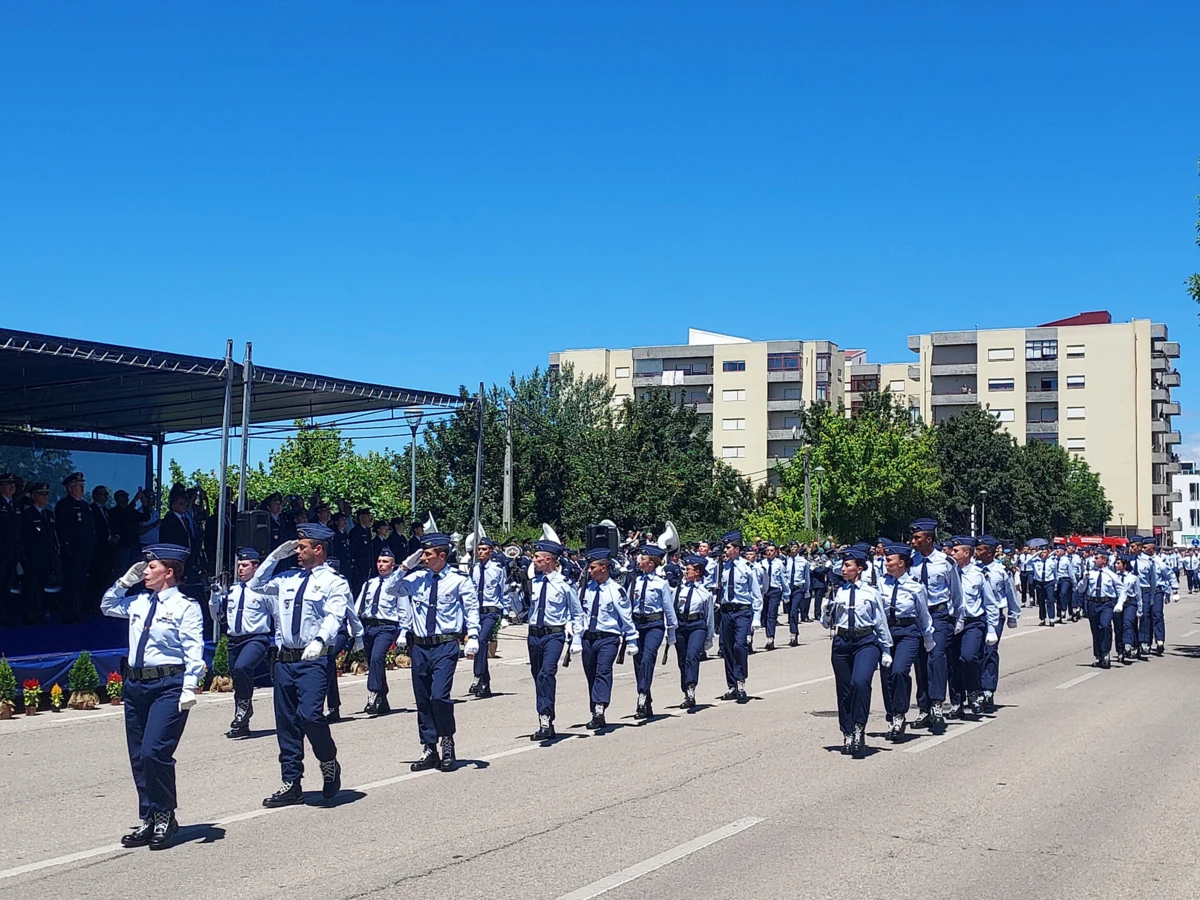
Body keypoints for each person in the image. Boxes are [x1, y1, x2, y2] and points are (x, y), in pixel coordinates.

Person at [102, 544, 205, 850]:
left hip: (168, 685)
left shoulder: (185, 607)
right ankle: (148, 816)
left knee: (154, 751)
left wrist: (190, 686)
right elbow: (107, 606)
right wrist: (124, 582)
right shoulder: (138, 602)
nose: (145, 572)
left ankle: (165, 815)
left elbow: (193, 648)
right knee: (138, 756)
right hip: (135, 685)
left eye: (151, 567)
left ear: (169, 572)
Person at [248, 523, 348, 807]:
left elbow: (334, 615)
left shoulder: (334, 582)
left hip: (313, 659)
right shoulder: (287, 578)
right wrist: (274, 557)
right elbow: (255, 585)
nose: (297, 552)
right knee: (287, 723)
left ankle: (328, 761)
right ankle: (291, 782)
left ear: (319, 549)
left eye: (302, 547)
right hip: (285, 660)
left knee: (310, 715)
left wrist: (320, 639)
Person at [384, 533, 480, 772]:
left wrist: (473, 635)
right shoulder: (417, 578)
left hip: (445, 645)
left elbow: (471, 609)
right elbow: (390, 589)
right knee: (423, 699)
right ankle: (429, 747)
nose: (423, 558)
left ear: (442, 555)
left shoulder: (459, 580)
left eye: (427, 554)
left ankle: (446, 741)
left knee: (439, 696)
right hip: (420, 646)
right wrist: (404, 566)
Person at [821, 547, 891, 757]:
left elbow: (880, 621)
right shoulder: (838, 592)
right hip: (842, 642)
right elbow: (827, 624)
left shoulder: (871, 593)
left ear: (859, 569)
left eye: (848, 566)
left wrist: (886, 649)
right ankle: (848, 732)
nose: (843, 569)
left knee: (860, 683)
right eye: (843, 566)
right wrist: (826, 610)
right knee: (844, 690)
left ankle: (860, 727)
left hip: (866, 641)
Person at [209, 548, 273, 738]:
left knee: (242, 667)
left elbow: (277, 614)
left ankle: (244, 709)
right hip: (234, 641)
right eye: (239, 566)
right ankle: (242, 721)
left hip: (256, 638)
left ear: (256, 567)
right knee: (238, 678)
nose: (240, 569)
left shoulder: (264, 589)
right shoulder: (233, 590)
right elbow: (217, 616)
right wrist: (214, 597)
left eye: (245, 565)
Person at [524, 534, 583, 740]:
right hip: (534, 635)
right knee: (537, 676)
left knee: (547, 673)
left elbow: (577, 613)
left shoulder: (564, 584)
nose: (533, 560)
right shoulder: (534, 583)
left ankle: (546, 717)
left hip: (554, 635)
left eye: (537, 557)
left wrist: (577, 638)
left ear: (548, 559)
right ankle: (544, 718)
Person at [909, 518, 962, 734]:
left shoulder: (945, 562)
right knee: (920, 661)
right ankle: (924, 707)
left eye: (917, 538)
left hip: (938, 614)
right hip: (917, 616)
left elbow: (956, 592)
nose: (913, 541)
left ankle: (937, 703)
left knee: (937, 657)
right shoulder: (910, 562)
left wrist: (958, 618)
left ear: (929, 539)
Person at [878, 542, 934, 741]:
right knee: (887, 675)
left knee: (900, 671)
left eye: (889, 560)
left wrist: (928, 637)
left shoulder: (915, 587)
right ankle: (892, 715)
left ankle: (900, 714)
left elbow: (923, 614)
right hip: (887, 632)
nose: (886, 563)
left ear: (901, 563)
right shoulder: (881, 584)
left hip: (908, 632)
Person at [578, 547, 637, 729]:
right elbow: (579, 615)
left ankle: (600, 707)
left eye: (592, 567)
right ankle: (595, 710)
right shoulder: (585, 590)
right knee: (591, 675)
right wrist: (575, 638)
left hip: (608, 638)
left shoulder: (616, 590)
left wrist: (632, 640)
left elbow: (626, 617)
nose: (589, 571)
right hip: (588, 638)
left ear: (603, 568)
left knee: (602, 672)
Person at [946, 536, 999, 719]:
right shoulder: (948, 572)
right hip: (952, 621)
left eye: (956, 551)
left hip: (972, 623)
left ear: (966, 553)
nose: (952, 553)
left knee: (968, 657)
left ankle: (973, 691)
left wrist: (991, 628)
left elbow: (990, 602)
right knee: (952, 663)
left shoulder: (978, 574)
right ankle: (957, 702)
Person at [628, 544, 678, 718]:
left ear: (651, 563)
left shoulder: (661, 583)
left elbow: (668, 608)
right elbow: (627, 605)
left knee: (648, 658)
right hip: (637, 625)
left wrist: (672, 630)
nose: (639, 561)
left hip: (654, 625)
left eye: (642, 558)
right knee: (638, 662)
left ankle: (642, 694)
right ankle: (646, 702)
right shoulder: (635, 581)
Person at [355, 547, 403, 715]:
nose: (381, 565)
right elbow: (358, 607)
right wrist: (354, 627)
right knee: (373, 661)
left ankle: (374, 694)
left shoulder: (397, 585)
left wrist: (404, 632)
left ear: (393, 565)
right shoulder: (369, 584)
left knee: (377, 657)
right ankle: (383, 699)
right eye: (379, 561)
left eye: (385, 562)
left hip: (387, 627)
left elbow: (403, 610)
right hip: (369, 626)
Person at [715, 531, 762, 703]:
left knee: (740, 645)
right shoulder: (723, 566)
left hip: (742, 611)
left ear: (736, 549)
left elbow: (756, 594)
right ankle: (732, 686)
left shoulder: (747, 568)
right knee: (726, 648)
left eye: (728, 547)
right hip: (726, 611)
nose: (725, 550)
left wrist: (756, 617)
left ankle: (741, 681)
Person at [977, 536, 1020, 712]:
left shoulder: (1001, 571)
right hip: (976, 615)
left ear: (989, 552)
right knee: (974, 653)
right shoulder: (973, 569)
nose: (976, 552)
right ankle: (974, 689)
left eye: (979, 549)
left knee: (990, 651)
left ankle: (987, 689)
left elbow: (1010, 593)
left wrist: (1013, 615)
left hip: (995, 616)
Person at [468, 538, 508, 699]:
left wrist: (505, 614)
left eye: (484, 549)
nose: (480, 552)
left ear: (491, 552)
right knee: (479, 644)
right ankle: (485, 684)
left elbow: (504, 591)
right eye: (479, 549)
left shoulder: (497, 569)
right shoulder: (474, 569)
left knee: (482, 640)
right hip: (476, 611)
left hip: (491, 611)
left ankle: (477, 675)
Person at [674, 553, 715, 708]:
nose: (686, 572)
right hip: (681, 625)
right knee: (682, 660)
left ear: (697, 572)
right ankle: (686, 693)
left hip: (697, 625)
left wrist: (709, 638)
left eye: (688, 569)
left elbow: (709, 617)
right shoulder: (679, 589)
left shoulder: (705, 593)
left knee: (692, 656)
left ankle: (691, 686)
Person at [55, 471, 95, 622]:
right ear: (70, 488)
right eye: (78, 486)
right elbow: (63, 528)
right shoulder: (64, 505)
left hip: (85, 550)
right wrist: (66, 546)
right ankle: (70, 612)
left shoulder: (85, 506)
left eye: (82, 485)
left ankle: (78, 610)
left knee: (82, 582)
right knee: (71, 582)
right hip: (73, 551)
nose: (82, 488)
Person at [20, 482, 56, 625]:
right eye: (41, 494)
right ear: (33, 496)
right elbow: (23, 537)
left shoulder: (49, 514)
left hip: (46, 557)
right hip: (32, 557)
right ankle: (29, 614)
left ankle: (39, 613)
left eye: (46, 494)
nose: (45, 497)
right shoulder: (27, 514)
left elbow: (52, 537)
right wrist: (24, 557)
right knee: (30, 586)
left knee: (41, 586)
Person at [1079, 548, 1121, 668]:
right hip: (1092, 602)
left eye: (1097, 558)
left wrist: (1119, 603)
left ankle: (1105, 652)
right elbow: (1081, 589)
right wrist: (1084, 579)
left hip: (1106, 603)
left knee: (1105, 626)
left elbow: (1120, 589)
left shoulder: (1111, 575)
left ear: (1104, 560)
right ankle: (1098, 656)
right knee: (1095, 630)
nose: (1094, 560)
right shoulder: (1090, 573)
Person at [1132, 540, 1174, 657]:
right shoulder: (1139, 560)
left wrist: (1173, 589)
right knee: (1145, 616)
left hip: (1157, 591)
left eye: (1145, 547)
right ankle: (1146, 641)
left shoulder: (1159, 561)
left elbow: (1169, 574)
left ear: (1151, 548)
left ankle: (1159, 640)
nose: (1143, 549)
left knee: (1157, 614)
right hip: (1143, 591)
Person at [1113, 554, 1141, 664]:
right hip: (1118, 603)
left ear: (1124, 565)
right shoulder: (1114, 577)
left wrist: (1140, 608)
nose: (1116, 565)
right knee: (1118, 628)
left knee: (1127, 623)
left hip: (1130, 603)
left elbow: (1138, 594)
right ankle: (1120, 651)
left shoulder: (1133, 578)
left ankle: (1128, 644)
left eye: (1118, 563)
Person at [0, 473, 19, 627]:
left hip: (12, 552)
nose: (12, 487)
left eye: (13, 484)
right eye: (8, 484)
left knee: (7, 584)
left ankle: (4, 614)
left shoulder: (16, 505)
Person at [759, 543, 787, 651]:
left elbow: (783, 579)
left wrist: (786, 593)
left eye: (772, 551)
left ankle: (770, 638)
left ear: (776, 552)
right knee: (764, 614)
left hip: (775, 590)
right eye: (768, 551)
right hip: (764, 591)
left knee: (772, 614)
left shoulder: (780, 563)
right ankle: (766, 634)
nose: (769, 553)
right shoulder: (762, 563)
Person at [784, 542, 811, 645]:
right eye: (791, 547)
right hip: (788, 589)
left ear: (798, 548)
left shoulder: (803, 561)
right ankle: (793, 629)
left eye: (795, 547)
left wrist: (807, 590)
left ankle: (793, 633)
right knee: (790, 611)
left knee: (794, 610)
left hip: (798, 588)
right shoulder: (786, 561)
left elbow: (806, 577)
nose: (793, 549)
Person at [348, 509, 374, 596]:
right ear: (361, 517)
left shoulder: (367, 530)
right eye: (367, 517)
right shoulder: (356, 531)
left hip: (366, 564)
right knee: (358, 588)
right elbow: (353, 548)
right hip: (359, 565)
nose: (369, 519)